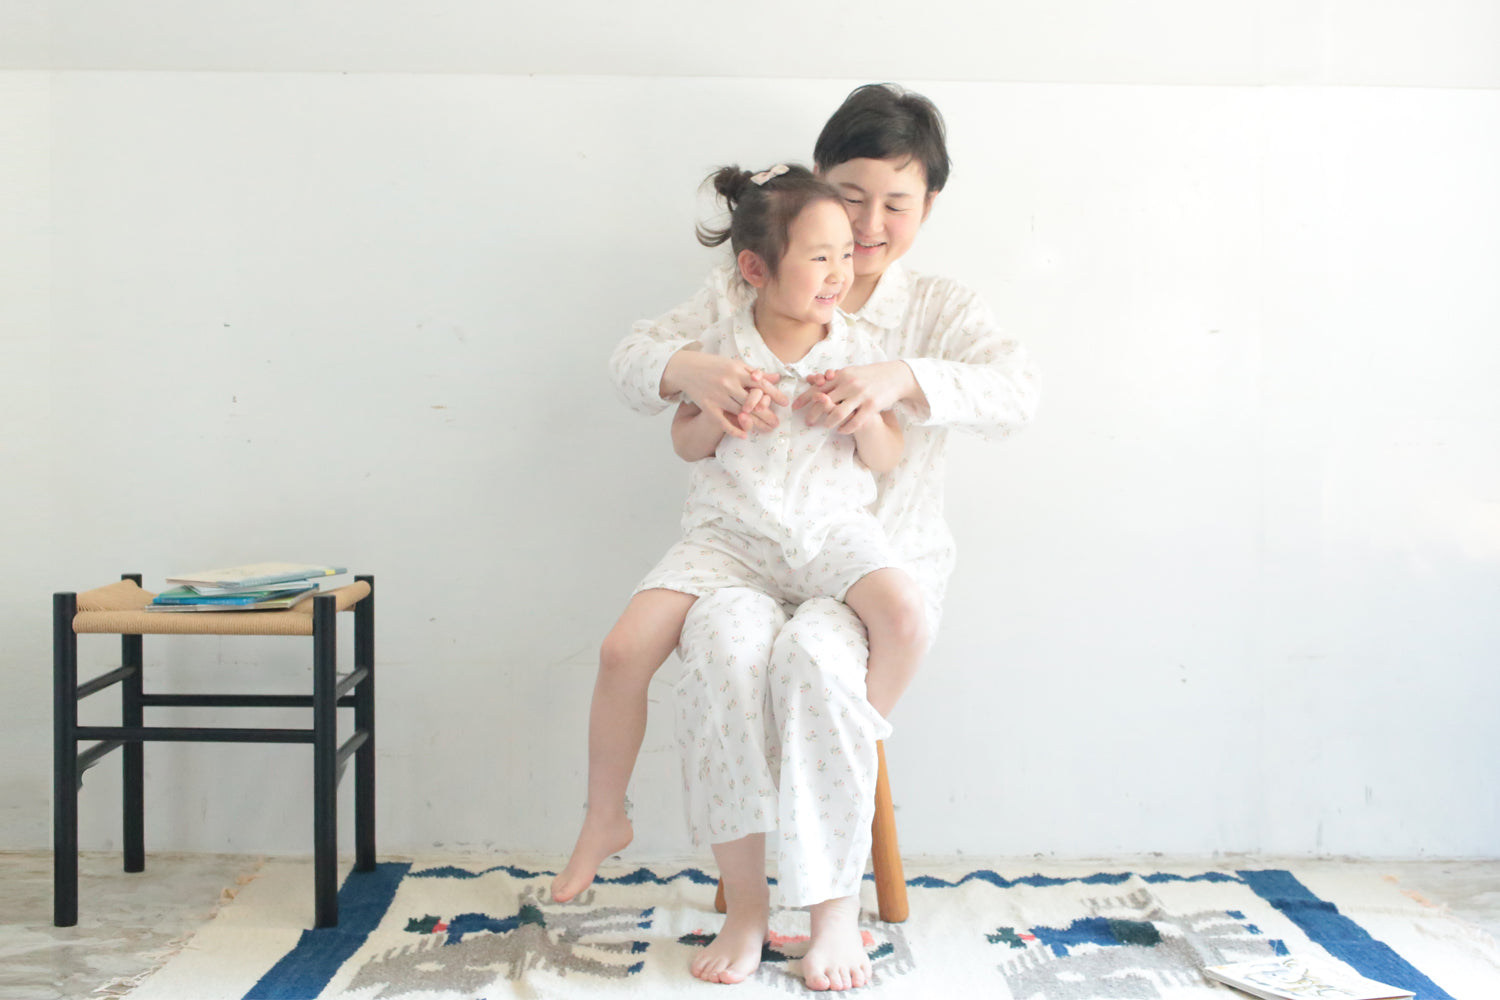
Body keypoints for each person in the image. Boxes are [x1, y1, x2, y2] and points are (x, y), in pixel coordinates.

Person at [560, 84, 1039, 991]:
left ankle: (829, 907)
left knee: (818, 666)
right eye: (850, 199)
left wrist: (898, 380)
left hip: (857, 557)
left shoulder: (934, 309)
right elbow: (640, 370)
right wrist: (690, 372)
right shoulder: (738, 294)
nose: (867, 227)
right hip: (742, 555)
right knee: (725, 646)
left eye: (896, 204)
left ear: (930, 205)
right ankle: (743, 907)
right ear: (816, 187)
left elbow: (1018, 394)